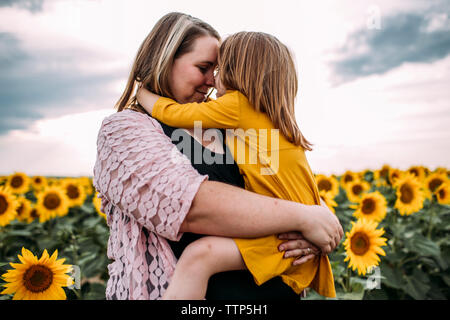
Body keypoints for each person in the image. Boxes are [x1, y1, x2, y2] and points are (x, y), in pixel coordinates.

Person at [93, 12, 343, 300]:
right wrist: (303, 218)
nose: (212, 80)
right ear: (164, 60)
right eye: (203, 67)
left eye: (218, 68)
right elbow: (189, 206)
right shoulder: (125, 130)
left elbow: (285, 178)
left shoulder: (228, 119)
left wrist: (317, 219)